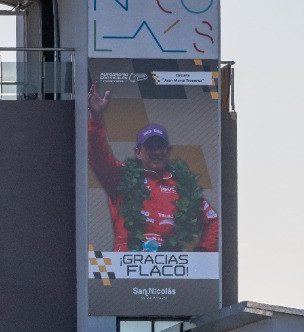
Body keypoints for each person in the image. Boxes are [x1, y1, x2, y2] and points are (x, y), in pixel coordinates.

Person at [86, 84, 218, 253]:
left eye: (161, 146)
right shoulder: (121, 177)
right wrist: (96, 119)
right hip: (127, 270)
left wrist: (204, 251)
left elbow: (213, 220)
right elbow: (98, 156)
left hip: (168, 270)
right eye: (150, 147)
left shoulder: (183, 186)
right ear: (138, 152)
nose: (156, 151)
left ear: (168, 151)